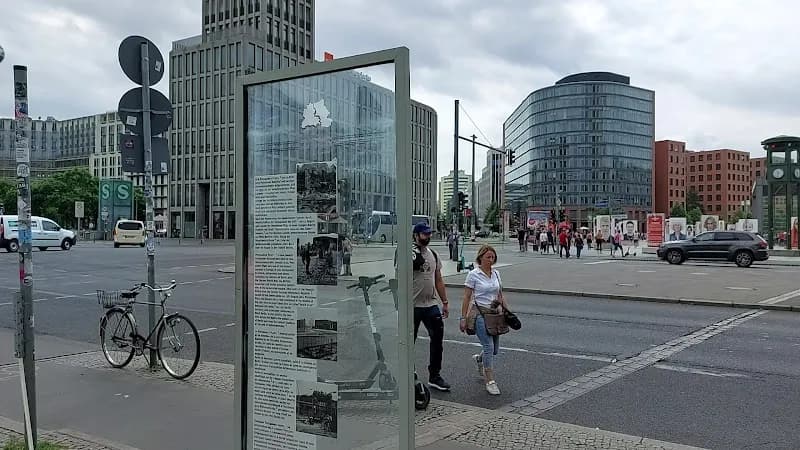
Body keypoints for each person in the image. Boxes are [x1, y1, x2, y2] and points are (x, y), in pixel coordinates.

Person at [460, 245, 508, 395]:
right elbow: (467, 297)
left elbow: (500, 294)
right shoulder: (473, 275)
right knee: (488, 347)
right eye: (488, 257)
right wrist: (463, 317)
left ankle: (480, 360)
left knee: (494, 350)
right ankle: (490, 381)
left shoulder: (496, 273)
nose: (491, 259)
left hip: (495, 314)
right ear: (480, 258)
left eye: (493, 257)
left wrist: (508, 312)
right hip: (480, 313)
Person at [411, 222, 451, 392]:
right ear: (415, 235)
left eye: (429, 234)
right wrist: (413, 249)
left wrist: (445, 302)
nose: (427, 237)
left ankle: (435, 375)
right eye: (424, 234)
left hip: (430, 304)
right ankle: (408, 372)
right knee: (407, 341)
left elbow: (438, 279)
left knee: (437, 340)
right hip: (411, 305)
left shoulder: (433, 254)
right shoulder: (407, 252)